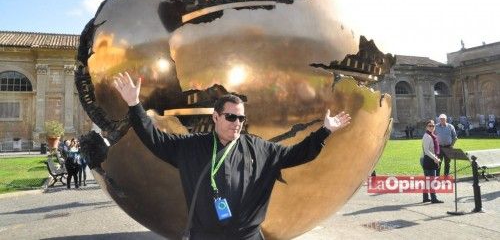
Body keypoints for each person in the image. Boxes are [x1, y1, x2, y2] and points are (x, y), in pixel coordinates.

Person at [113, 72, 351, 239]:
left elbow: (298, 154)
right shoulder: (192, 148)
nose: (237, 123)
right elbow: (156, 140)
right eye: (230, 117)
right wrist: (135, 105)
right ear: (215, 117)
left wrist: (325, 130)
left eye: (241, 118)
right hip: (205, 237)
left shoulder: (260, 149)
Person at [420, 120, 443, 203]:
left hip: (430, 158)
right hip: (428, 159)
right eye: (430, 126)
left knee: (427, 180)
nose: (431, 127)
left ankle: (425, 198)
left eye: (433, 126)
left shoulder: (432, 136)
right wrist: (435, 158)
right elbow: (426, 150)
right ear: (426, 127)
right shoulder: (427, 136)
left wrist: (435, 157)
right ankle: (434, 198)